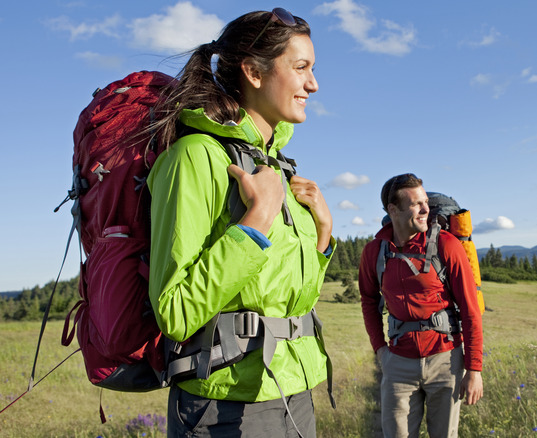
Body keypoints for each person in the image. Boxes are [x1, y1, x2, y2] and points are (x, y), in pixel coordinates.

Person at [147, 8, 334, 437]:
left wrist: (322, 237)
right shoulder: (194, 158)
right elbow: (175, 312)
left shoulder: (278, 168)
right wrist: (256, 220)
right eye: (301, 68)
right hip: (225, 406)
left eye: (313, 68)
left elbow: (289, 303)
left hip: (294, 392)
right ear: (253, 72)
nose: (313, 84)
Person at [358, 173, 484, 438]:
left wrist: (474, 369)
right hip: (398, 364)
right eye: (416, 204)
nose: (425, 209)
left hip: (446, 360)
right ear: (393, 209)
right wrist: (380, 350)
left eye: (425, 201)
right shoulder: (374, 252)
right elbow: (369, 301)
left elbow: (471, 310)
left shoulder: (447, 245)